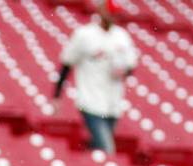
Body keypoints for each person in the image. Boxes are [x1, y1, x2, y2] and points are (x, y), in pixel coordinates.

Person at [53, 0, 138, 155]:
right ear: (100, 10)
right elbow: (67, 63)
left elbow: (131, 65)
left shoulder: (122, 36)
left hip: (113, 103)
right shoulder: (84, 34)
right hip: (90, 101)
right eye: (110, 11)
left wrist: (124, 72)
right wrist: (57, 95)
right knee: (106, 149)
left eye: (116, 12)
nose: (113, 16)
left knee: (97, 147)